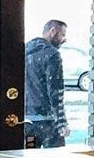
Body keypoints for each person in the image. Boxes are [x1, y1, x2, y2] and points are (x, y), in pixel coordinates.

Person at [24, 20, 70, 148]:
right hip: (48, 121)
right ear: (53, 32)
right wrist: (62, 123)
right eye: (63, 35)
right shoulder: (52, 54)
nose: (64, 39)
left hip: (27, 121)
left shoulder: (26, 50)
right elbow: (56, 91)